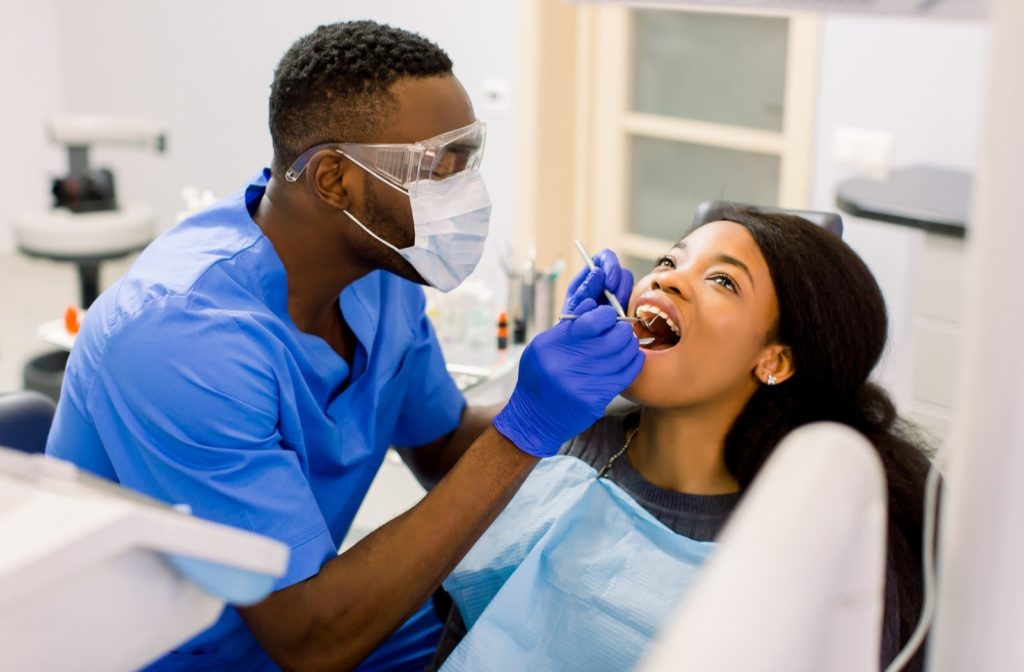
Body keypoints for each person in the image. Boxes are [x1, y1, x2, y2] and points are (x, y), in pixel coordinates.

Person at [44, 20, 644, 671]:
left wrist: (579, 388)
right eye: (440, 168)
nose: (468, 194)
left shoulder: (378, 275)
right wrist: (526, 426)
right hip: (176, 651)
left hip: (309, 612)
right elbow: (313, 641)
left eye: (470, 160)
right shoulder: (179, 338)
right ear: (334, 180)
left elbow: (441, 446)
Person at [434, 208, 931, 672]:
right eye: (670, 260)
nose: (667, 277)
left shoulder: (805, 534)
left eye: (722, 280)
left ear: (775, 360)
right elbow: (467, 633)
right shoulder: (566, 447)